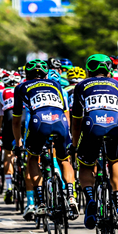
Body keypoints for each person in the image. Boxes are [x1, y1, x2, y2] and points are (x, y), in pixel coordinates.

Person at [13, 60, 78, 220]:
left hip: (39, 122)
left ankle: (41, 202)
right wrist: (67, 134)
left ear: (26, 75)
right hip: (60, 121)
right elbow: (66, 113)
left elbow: (16, 121)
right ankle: (71, 196)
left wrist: (19, 142)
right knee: (64, 160)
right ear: (45, 74)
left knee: (32, 158)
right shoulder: (56, 84)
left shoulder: (21, 87)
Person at [72, 54, 118, 229]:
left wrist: (75, 145)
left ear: (89, 70)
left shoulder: (81, 85)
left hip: (92, 124)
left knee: (86, 165)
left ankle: (90, 199)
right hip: (115, 124)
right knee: (116, 161)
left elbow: (76, 120)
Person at [0, 72, 19, 203]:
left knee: (8, 153)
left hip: (9, 118)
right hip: (23, 118)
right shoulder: (23, 88)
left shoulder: (1, 93)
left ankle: (9, 188)